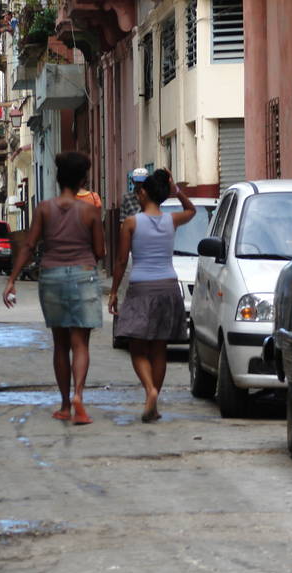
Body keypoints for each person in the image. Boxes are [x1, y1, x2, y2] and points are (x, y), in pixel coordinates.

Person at [2, 152, 105, 425]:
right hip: (83, 274)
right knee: (80, 343)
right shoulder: (90, 211)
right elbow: (100, 251)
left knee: (60, 344)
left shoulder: (44, 209)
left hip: (51, 276)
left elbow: (29, 246)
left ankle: (64, 405)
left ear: (58, 179)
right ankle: (79, 396)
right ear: (82, 179)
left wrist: (12, 280)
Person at [108, 169, 195, 423]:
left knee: (136, 347)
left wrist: (113, 292)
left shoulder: (131, 223)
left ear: (145, 193)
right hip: (168, 287)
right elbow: (192, 210)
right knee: (159, 348)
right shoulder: (172, 220)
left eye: (140, 190)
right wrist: (176, 190)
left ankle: (150, 391)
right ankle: (153, 404)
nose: (137, 193)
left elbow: (121, 261)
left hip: (141, 289)